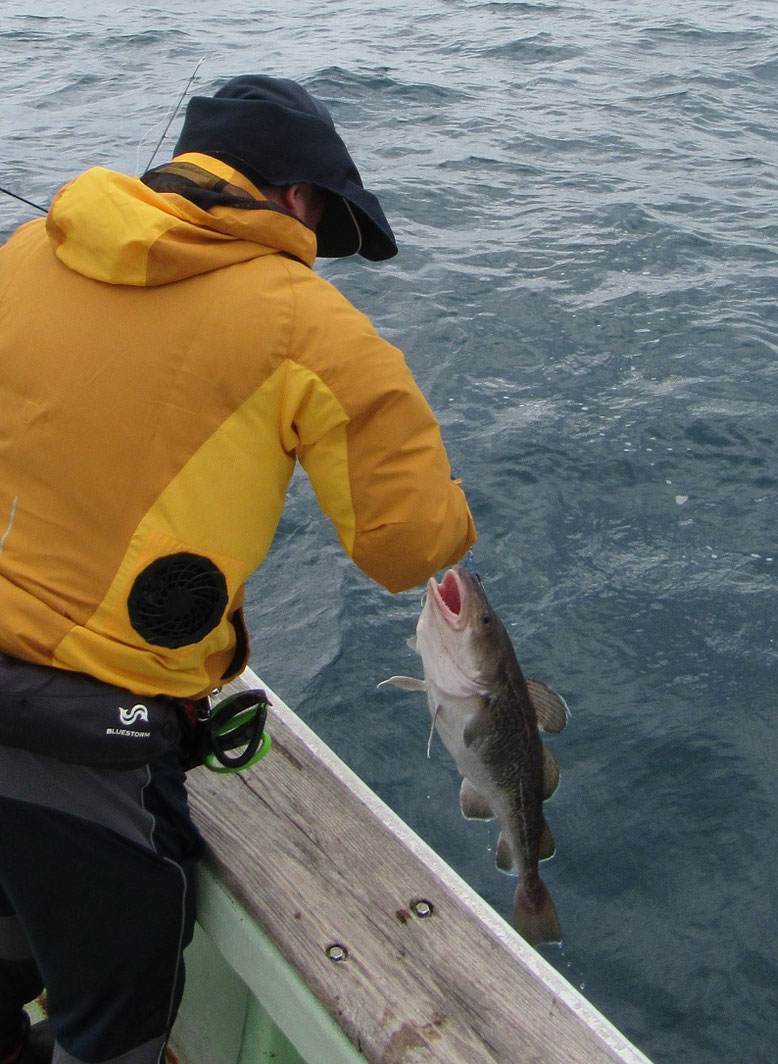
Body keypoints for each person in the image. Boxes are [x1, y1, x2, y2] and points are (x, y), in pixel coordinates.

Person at [0, 75, 476, 1063]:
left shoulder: (26, 251)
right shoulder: (311, 326)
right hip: (79, 736)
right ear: (299, 197)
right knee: (117, 1023)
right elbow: (409, 545)